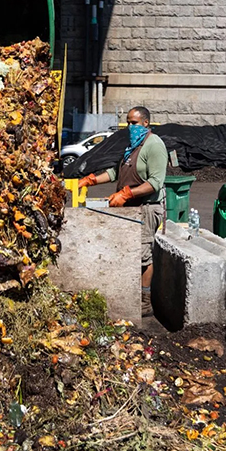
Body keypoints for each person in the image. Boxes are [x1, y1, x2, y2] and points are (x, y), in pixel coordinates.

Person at [78, 106, 168, 315]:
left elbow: (155, 182)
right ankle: (128, 295)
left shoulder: (155, 146)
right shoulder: (132, 146)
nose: (130, 126)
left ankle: (145, 302)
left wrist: (126, 194)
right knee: (129, 251)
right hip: (131, 208)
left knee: (143, 256)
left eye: (134, 123)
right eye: (128, 122)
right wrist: (90, 180)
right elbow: (114, 172)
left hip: (146, 208)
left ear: (146, 123)